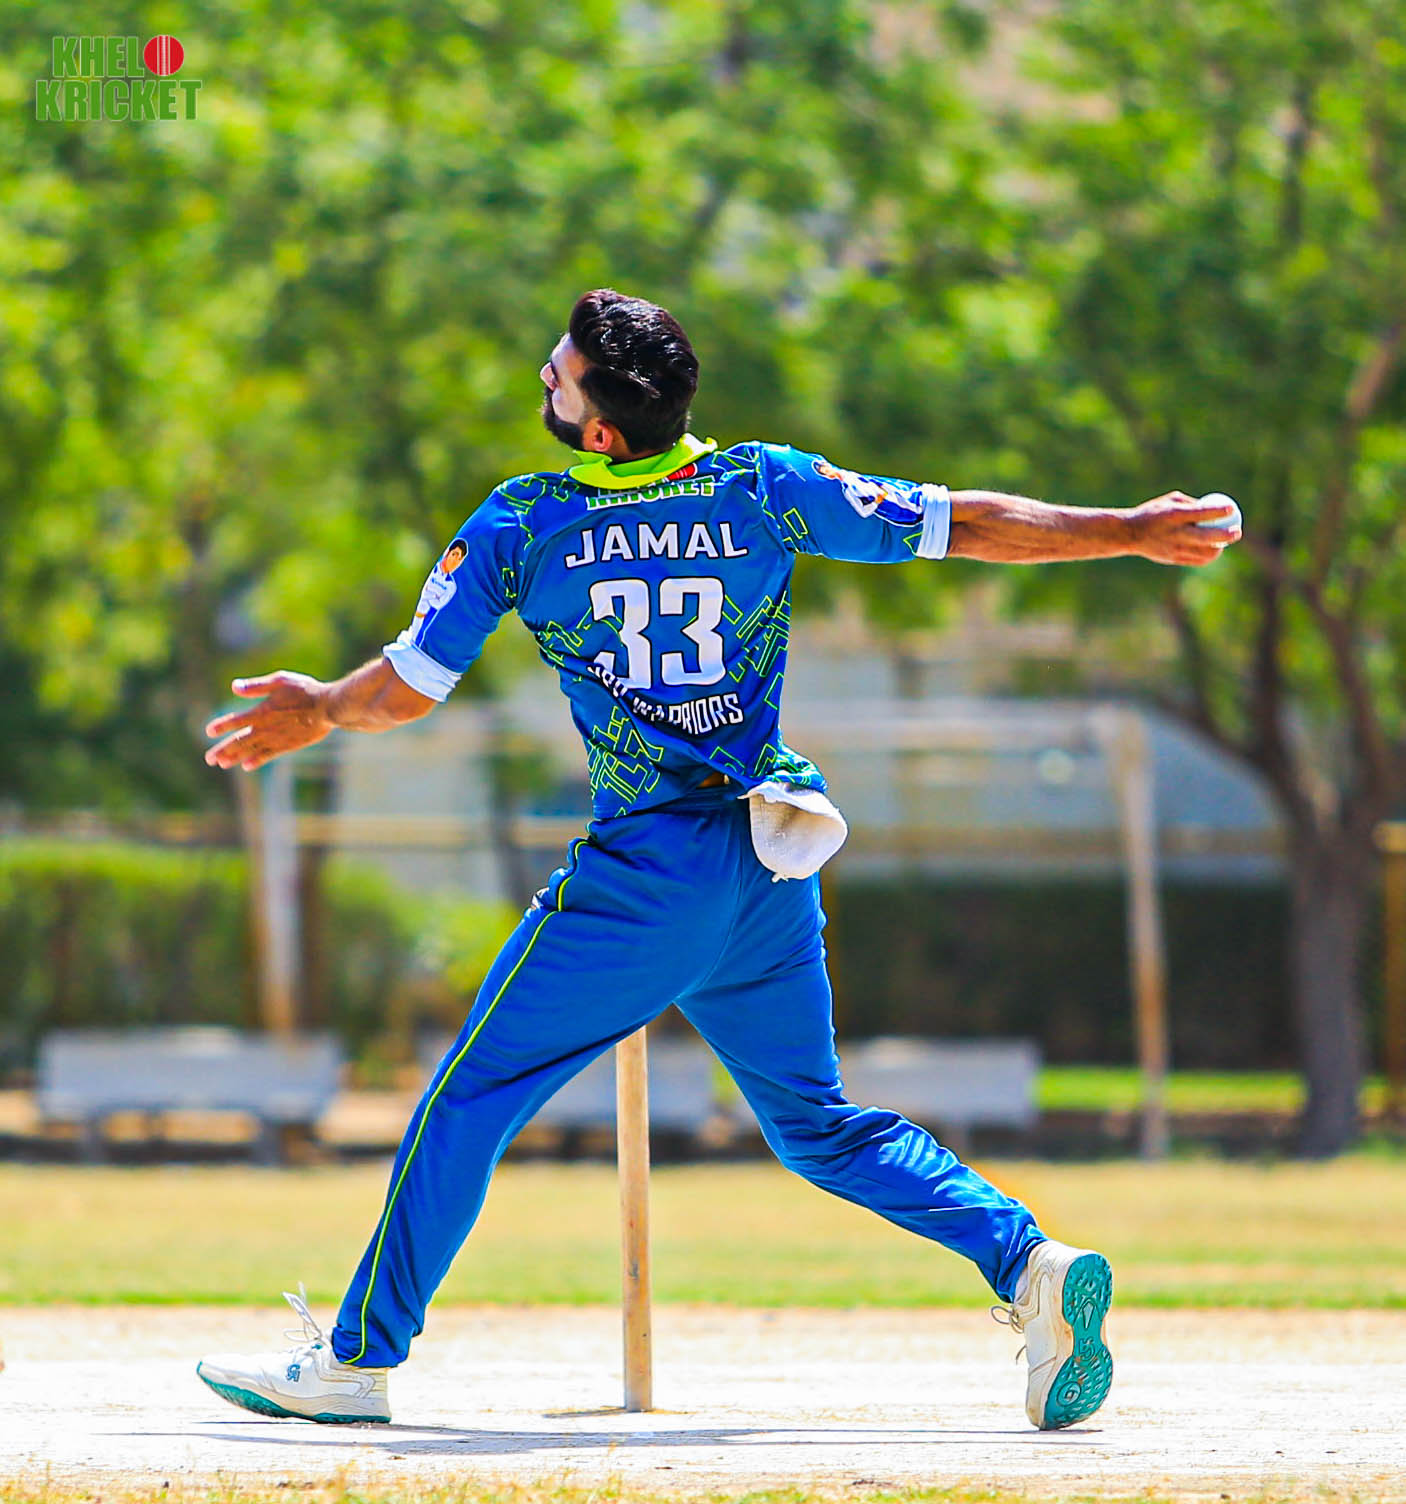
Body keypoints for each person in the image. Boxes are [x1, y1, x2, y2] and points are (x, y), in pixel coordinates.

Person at [196, 288, 1240, 1431]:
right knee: (818, 1126)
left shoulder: (524, 522)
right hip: (766, 855)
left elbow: (406, 687)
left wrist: (319, 708)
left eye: (559, 374)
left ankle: (355, 1361)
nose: (544, 375)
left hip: (645, 872)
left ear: (600, 430)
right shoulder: (762, 485)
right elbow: (963, 522)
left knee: (467, 1098)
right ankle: (1029, 1263)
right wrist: (1125, 528)